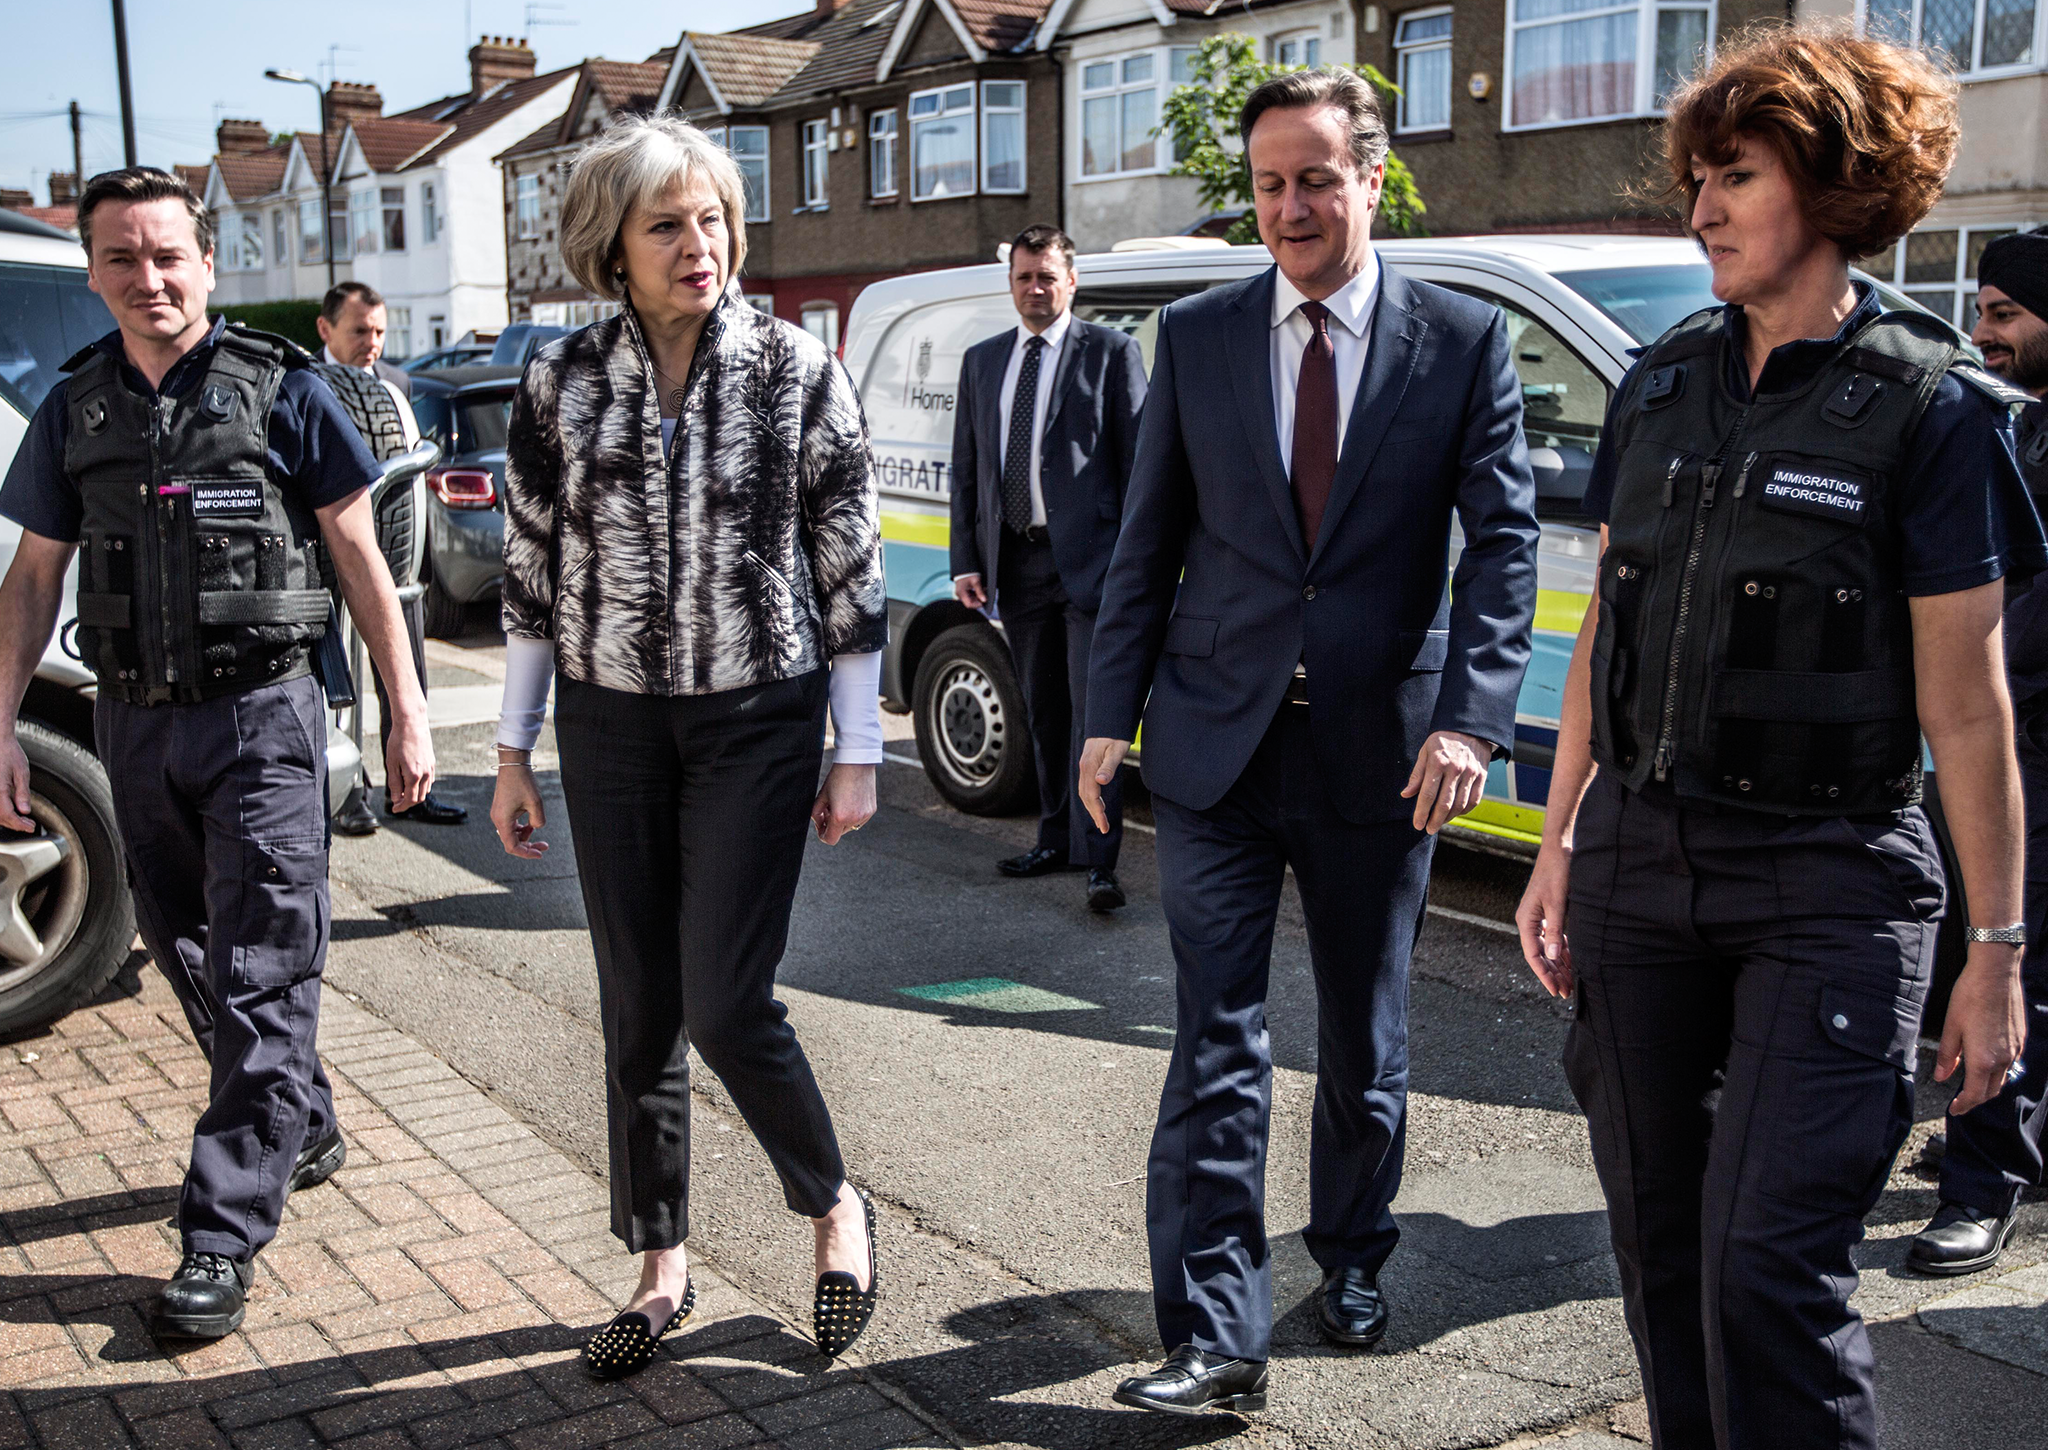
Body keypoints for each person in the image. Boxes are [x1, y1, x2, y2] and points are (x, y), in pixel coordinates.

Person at [1512, 29, 2040, 1449]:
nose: (1701, 211)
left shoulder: (1932, 410)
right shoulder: (1661, 381)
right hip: (1637, 860)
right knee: (1662, 1248)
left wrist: (1996, 959)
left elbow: (1970, 709)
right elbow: (1606, 639)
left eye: (1733, 176)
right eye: (1696, 179)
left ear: (1833, 181)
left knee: (1768, 1265)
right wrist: (1560, 840)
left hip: (1832, 877)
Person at [1079, 69, 1539, 1413]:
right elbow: (1147, 541)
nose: (1289, 206)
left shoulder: (1460, 343)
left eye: (1315, 179)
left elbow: (1503, 547)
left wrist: (1472, 718)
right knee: (1215, 1038)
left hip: (1378, 754)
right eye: (1270, 183)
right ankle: (1218, 1334)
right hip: (1218, 751)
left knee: (1363, 1034)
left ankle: (1350, 1248)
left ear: (1373, 179)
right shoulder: (1202, 335)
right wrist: (1109, 719)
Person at [0, 167, 435, 1338]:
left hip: (264, 721)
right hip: (137, 719)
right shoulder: (74, 408)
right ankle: (306, 1117)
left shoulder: (282, 391)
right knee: (178, 937)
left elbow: (358, 558)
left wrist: (404, 707)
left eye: (169, 255)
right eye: (124, 259)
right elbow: (34, 574)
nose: (151, 278)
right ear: (94, 274)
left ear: (205, 262)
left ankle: (220, 1231)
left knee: (264, 966)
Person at [488, 115, 886, 1379]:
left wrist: (857, 745)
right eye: (667, 223)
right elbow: (531, 569)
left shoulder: (795, 367)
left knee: (722, 998)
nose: (698, 242)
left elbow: (850, 566)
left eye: (711, 217)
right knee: (636, 1007)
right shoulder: (560, 379)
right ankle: (658, 1263)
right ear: (612, 244)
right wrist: (509, 747)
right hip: (605, 719)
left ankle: (831, 1207)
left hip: (756, 714)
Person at [1906, 227, 2048, 1276]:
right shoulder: (2010, 429)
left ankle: (1980, 1186)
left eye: (2003, 314)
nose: (1981, 333)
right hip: (1998, 745)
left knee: (2009, 964)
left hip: (2032, 750)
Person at [950, 225, 1146, 911]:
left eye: (1046, 276)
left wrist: (1134, 565)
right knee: (1043, 709)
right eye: (1023, 277)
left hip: (1093, 569)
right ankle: (1056, 838)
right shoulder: (982, 362)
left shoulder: (1112, 354)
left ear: (1071, 280)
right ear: (1011, 284)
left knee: (1098, 717)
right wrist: (966, 559)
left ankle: (1100, 861)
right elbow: (967, 471)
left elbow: (1141, 467)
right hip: (1018, 563)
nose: (1035, 288)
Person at [317, 280, 467, 832]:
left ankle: (413, 791)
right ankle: (346, 791)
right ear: (325, 330)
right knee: (340, 680)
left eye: (380, 332)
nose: (373, 343)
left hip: (399, 558)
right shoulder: (302, 384)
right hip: (335, 565)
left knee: (406, 673)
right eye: (360, 331)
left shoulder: (398, 383)